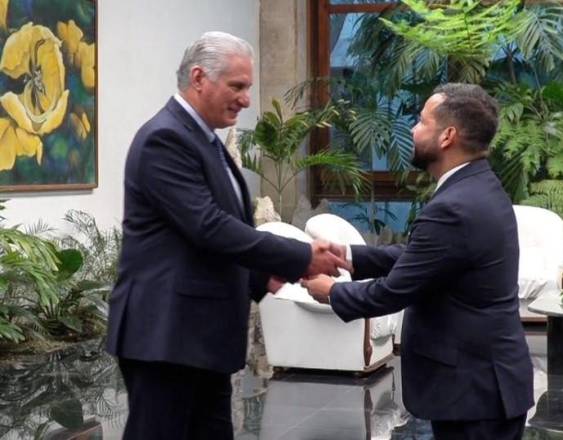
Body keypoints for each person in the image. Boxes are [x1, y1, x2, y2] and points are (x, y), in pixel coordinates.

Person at [106, 31, 348, 440]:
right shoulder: (165, 139)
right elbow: (209, 227)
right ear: (199, 78)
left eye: (248, 87)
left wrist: (262, 277)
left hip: (198, 338)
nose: (246, 99)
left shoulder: (204, 141)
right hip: (167, 336)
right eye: (237, 86)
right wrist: (300, 256)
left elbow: (213, 233)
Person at [303, 83, 534, 440]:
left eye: (421, 121)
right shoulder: (478, 187)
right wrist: (349, 256)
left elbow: (394, 292)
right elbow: (425, 256)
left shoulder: (455, 206)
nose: (412, 129)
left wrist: (331, 291)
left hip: (475, 393)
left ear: (447, 136)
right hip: (485, 386)